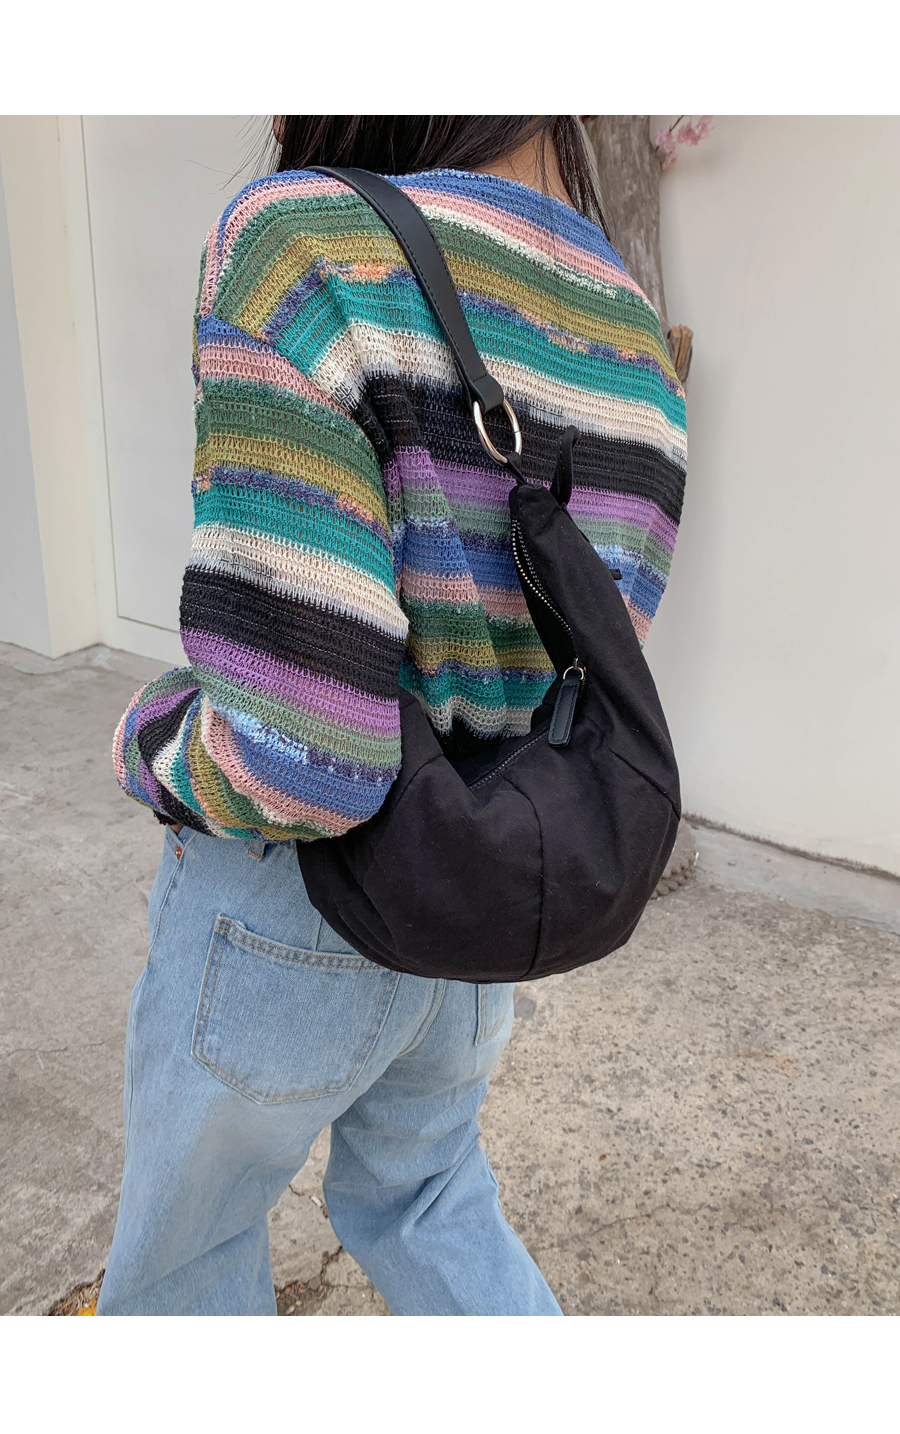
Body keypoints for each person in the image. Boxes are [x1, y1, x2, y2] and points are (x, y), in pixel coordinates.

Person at [98, 115, 687, 1316]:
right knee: (429, 1199)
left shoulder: (303, 249)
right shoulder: (636, 334)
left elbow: (303, 761)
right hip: (476, 902)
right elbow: (594, 658)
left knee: (188, 1253)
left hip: (288, 902)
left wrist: (151, 740)